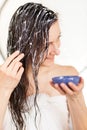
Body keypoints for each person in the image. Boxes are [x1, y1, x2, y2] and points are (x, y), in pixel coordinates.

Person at [0, 2, 87, 130]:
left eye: (58, 38)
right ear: (25, 42)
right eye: (47, 44)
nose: (57, 50)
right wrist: (4, 89)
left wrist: (75, 98)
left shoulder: (67, 75)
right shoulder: (3, 78)